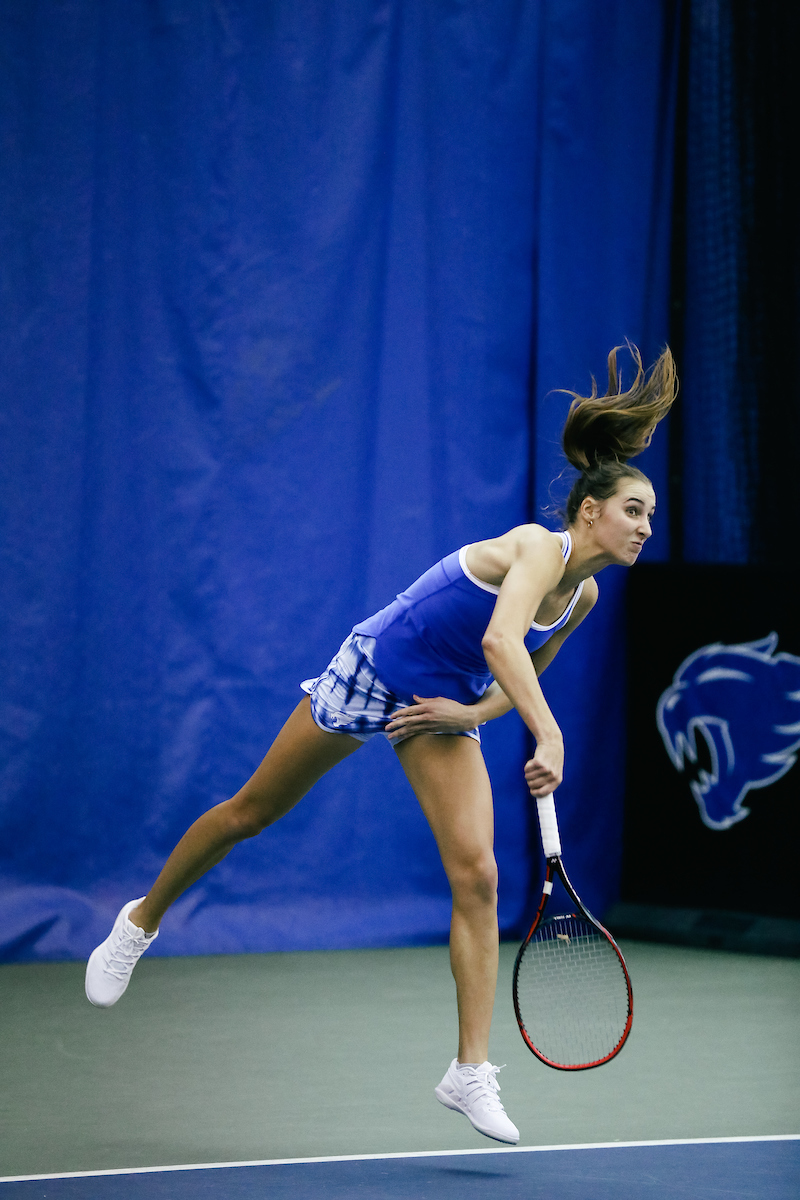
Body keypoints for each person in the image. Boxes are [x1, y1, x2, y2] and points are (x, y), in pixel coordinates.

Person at [85, 343, 677, 1144]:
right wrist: (549, 732)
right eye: (634, 510)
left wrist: (469, 716)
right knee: (250, 813)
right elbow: (502, 640)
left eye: (651, 514)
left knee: (478, 875)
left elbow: (516, 676)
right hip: (376, 666)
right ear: (589, 511)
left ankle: (469, 1071)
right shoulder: (540, 549)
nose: (645, 526)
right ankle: (139, 922)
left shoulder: (586, 596)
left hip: (436, 704)